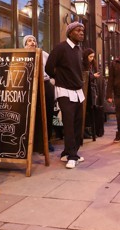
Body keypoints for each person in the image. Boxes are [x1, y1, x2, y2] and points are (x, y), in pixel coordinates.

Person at [46, 22, 85, 169]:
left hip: (78, 91)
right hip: (64, 91)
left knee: (77, 123)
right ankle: (72, 156)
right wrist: (58, 78)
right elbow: (49, 66)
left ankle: (67, 152)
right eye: (78, 30)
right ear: (70, 32)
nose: (81, 33)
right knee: (68, 124)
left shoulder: (78, 50)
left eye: (83, 30)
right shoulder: (61, 48)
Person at [23, 34, 55, 153]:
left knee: (47, 114)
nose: (32, 42)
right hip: (30, 86)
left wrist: (51, 80)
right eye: (29, 41)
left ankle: (46, 142)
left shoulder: (44, 54)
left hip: (45, 84)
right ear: (25, 45)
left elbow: (52, 68)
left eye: (34, 41)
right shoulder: (22, 56)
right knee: (32, 115)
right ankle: (33, 143)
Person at [82, 48, 101, 138]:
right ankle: (85, 130)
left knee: (91, 111)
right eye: (90, 57)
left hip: (92, 90)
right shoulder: (83, 65)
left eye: (93, 57)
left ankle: (90, 130)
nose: (92, 59)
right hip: (86, 91)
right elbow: (84, 77)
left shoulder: (92, 65)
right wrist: (93, 76)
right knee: (86, 112)